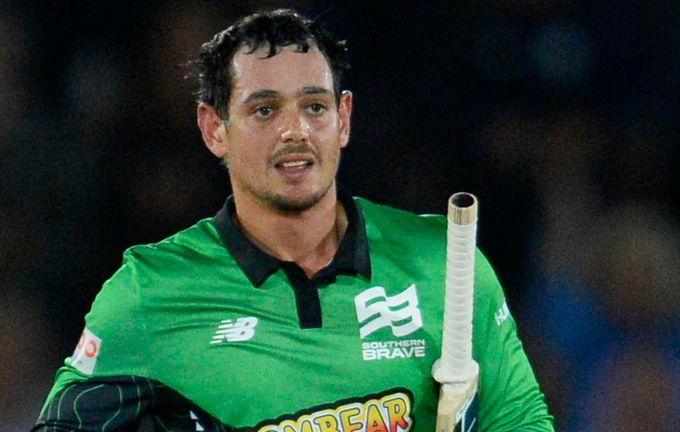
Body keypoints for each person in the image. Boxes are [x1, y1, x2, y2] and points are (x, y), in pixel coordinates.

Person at [34, 9, 553, 431]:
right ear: (214, 128)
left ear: (343, 119)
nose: (295, 131)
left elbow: (523, 421)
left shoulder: (444, 262)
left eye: (315, 107)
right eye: (264, 111)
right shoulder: (151, 291)